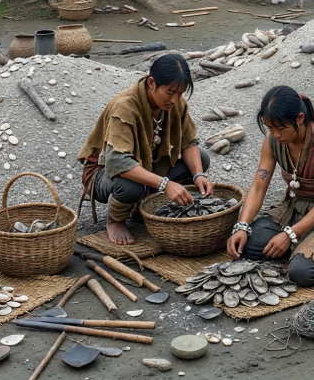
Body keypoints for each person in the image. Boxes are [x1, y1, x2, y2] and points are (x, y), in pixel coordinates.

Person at [225, 86, 314, 286]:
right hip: (297, 207)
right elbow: (259, 186)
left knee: (303, 272)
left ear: (300, 118)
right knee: (249, 247)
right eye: (270, 128)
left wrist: (289, 234)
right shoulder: (272, 141)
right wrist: (242, 226)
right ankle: (310, 240)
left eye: (281, 128)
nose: (275, 134)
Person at [77, 53, 212, 245]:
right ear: (151, 83)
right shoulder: (124, 107)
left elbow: (188, 142)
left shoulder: (174, 103)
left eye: (180, 93)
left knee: (201, 159)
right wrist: (165, 184)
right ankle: (115, 220)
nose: (174, 99)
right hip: (105, 173)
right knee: (130, 187)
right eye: (170, 92)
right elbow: (118, 162)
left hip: (149, 165)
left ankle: (143, 210)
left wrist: (198, 175)